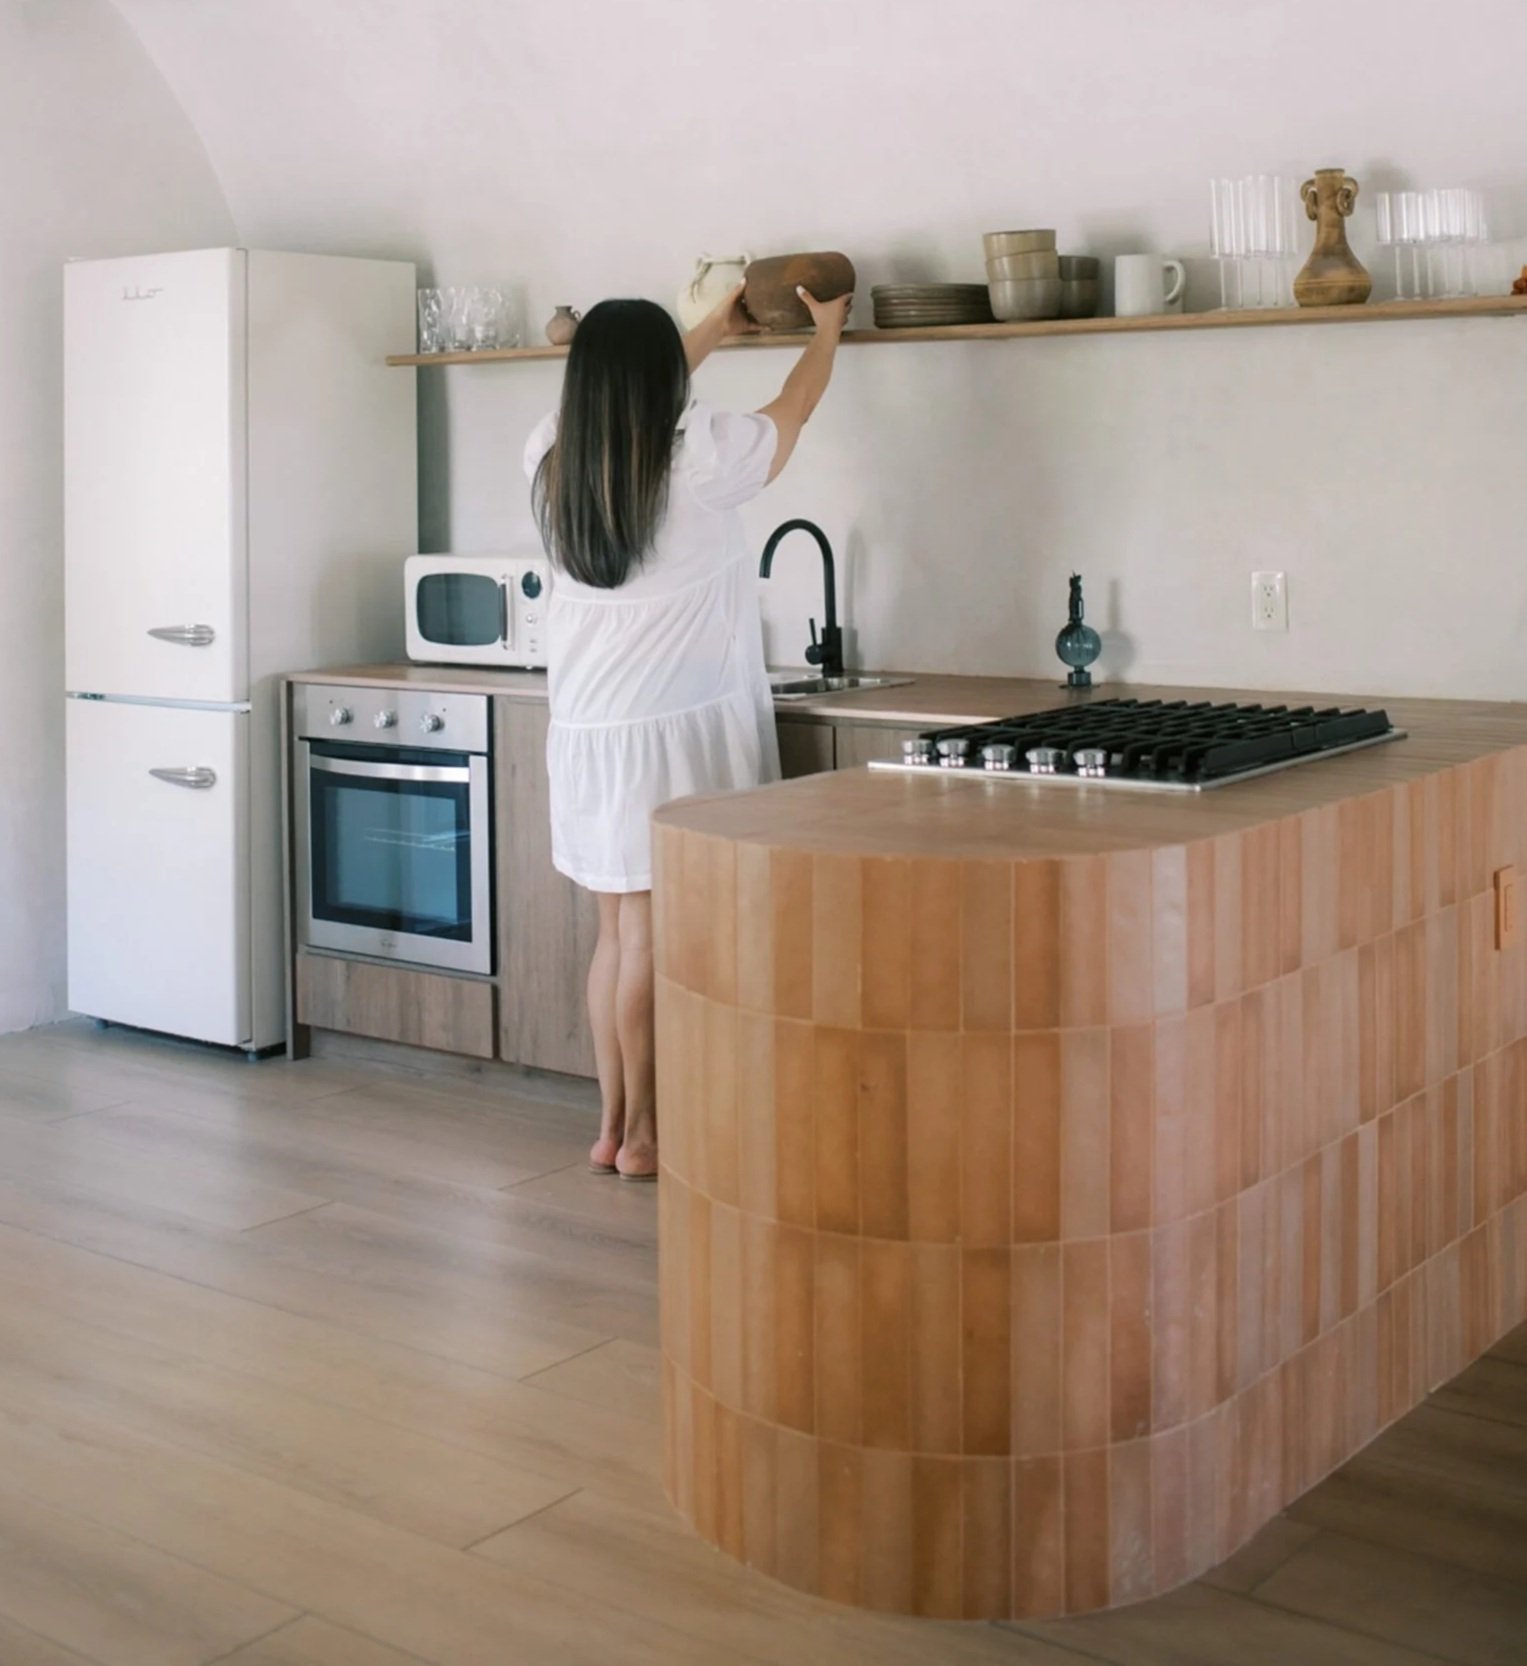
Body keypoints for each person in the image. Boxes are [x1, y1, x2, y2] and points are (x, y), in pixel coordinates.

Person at [524, 282, 849, 1180]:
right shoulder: (704, 461)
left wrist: (708, 328)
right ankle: (645, 1137)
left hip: (588, 731)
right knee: (651, 941)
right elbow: (796, 404)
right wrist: (825, 332)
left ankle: (609, 1125)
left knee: (616, 936)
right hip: (666, 740)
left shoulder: (550, 455)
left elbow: (628, 395)